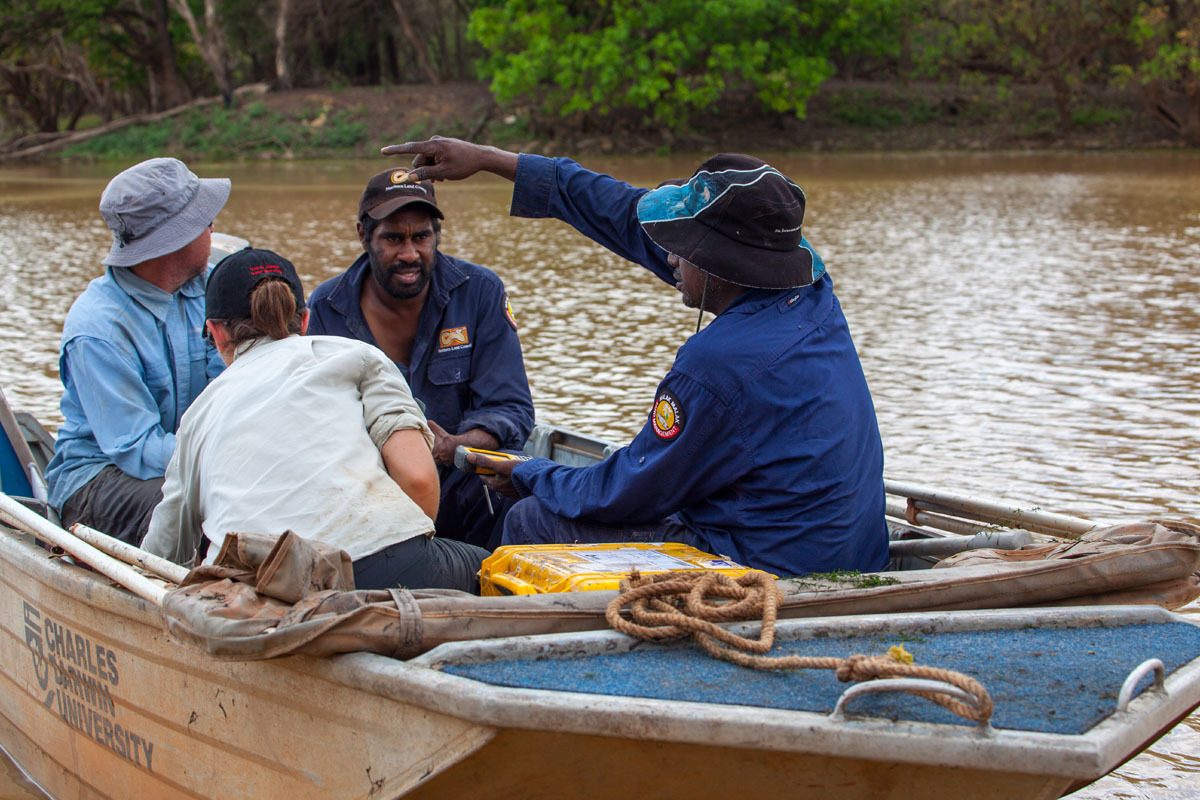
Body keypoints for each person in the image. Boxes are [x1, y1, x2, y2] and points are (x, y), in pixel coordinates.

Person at [378, 137, 890, 577]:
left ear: (717, 262)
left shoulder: (715, 366)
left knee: (529, 521)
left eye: (681, 245)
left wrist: (531, 473)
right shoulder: (810, 291)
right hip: (852, 551)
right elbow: (623, 214)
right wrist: (492, 159)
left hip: (767, 568)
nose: (666, 255)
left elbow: (626, 491)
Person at [142, 248, 489, 593]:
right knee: (485, 567)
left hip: (253, 592)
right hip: (379, 566)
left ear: (215, 332)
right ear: (305, 320)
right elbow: (418, 480)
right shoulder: (357, 356)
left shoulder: (198, 413)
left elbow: (165, 550)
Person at [305, 168, 534, 551]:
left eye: (421, 237)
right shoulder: (327, 308)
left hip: (458, 481)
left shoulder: (479, 292)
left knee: (515, 483)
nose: (409, 254)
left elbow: (511, 408)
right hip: (367, 489)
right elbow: (315, 423)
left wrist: (453, 447)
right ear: (364, 236)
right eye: (393, 238)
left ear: (435, 236)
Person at [45, 158, 230, 545]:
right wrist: (234, 460)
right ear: (173, 240)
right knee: (207, 511)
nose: (213, 227)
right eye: (202, 220)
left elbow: (235, 383)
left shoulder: (211, 285)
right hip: (100, 478)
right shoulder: (98, 330)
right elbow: (137, 450)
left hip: (198, 459)